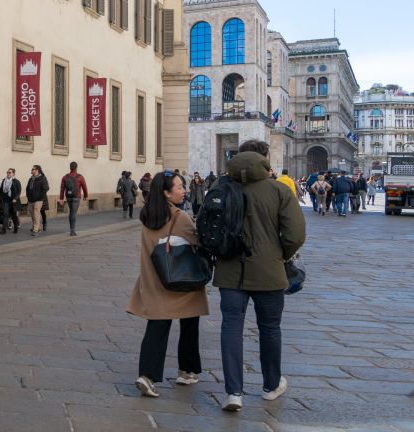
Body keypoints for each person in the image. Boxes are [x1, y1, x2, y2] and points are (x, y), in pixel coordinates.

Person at [216, 140, 306, 413]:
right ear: (264, 159)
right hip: (269, 270)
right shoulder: (279, 190)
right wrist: (279, 255)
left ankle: (233, 392)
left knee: (231, 326)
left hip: (230, 271)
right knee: (269, 328)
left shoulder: (220, 189)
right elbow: (295, 235)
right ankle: (270, 385)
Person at [127, 171, 208, 398]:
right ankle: (187, 370)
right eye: (179, 187)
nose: (184, 190)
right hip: (181, 278)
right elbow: (198, 241)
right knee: (190, 320)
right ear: (166, 192)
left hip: (154, 278)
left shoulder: (148, 215)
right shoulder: (179, 217)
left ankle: (147, 375)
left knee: (157, 327)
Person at [59, 162, 89, 236]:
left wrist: (61, 198)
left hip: (68, 197)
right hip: (76, 197)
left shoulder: (65, 177)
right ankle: (72, 231)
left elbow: (62, 188)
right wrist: (86, 195)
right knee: (73, 213)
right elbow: (84, 187)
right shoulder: (80, 177)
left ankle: (71, 229)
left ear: (70, 167)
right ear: (76, 168)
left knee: (71, 212)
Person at [26, 165, 49, 236]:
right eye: (32, 169)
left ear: (37, 170)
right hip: (30, 199)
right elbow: (27, 188)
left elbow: (46, 188)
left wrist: (40, 196)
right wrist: (28, 195)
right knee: (32, 213)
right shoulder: (31, 179)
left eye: (33, 169)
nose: (32, 170)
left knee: (36, 213)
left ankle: (36, 229)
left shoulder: (42, 178)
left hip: (38, 200)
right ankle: (35, 225)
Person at [0, 167, 22, 235]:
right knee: (5, 214)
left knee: (14, 215)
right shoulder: (4, 181)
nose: (8, 174)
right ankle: (3, 229)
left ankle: (16, 228)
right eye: (7, 172)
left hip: (13, 201)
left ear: (13, 174)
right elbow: (1, 190)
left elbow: (19, 191)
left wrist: (15, 198)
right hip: (5, 201)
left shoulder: (16, 181)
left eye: (9, 172)